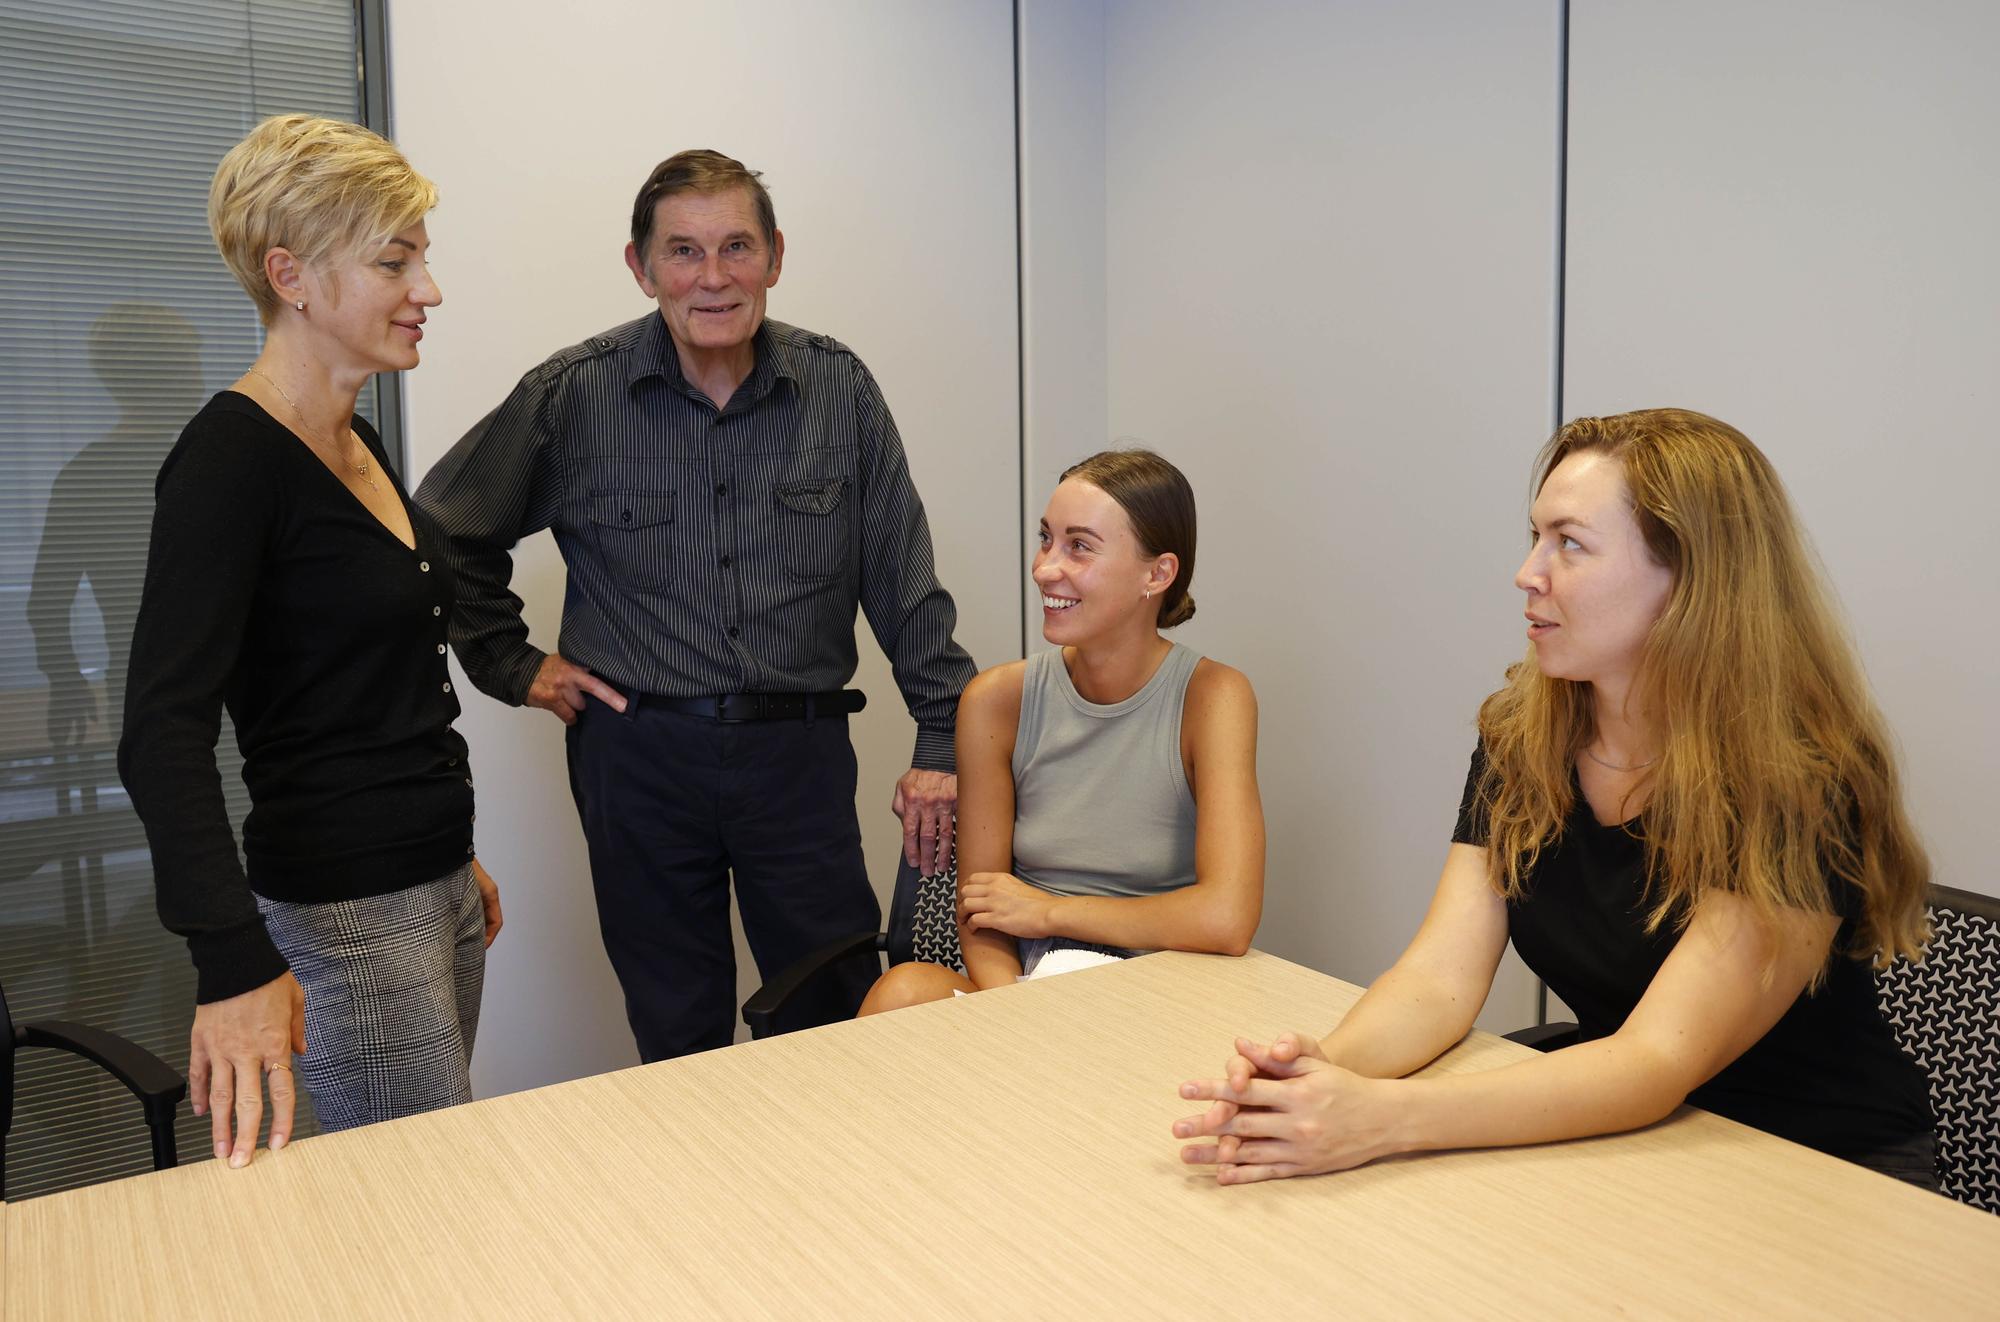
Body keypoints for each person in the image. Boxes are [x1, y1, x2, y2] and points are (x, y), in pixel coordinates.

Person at [1173, 409, 1937, 1188]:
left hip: (1820, 1166)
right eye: (1536, 537)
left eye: (1569, 544)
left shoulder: (1800, 781)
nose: (1527, 572)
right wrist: (1318, 1077)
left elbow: (1653, 1061)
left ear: (1689, 581)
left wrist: (1379, 1119)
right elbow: (1439, 980)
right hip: (1627, 1136)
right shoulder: (1522, 737)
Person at [414, 150, 975, 1061]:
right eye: (683, 252)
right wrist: (514, 666)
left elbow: (904, 580)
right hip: (639, 758)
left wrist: (943, 740)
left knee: (835, 1012)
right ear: (640, 267)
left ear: (776, 256)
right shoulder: (575, 394)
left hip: (797, 757)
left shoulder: (839, 389)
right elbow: (442, 525)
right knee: (677, 1026)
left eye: (736, 247)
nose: (712, 278)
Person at [119, 115, 499, 1167]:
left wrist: (455, 858)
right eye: (393, 260)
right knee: (415, 1206)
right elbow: (161, 732)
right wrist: (232, 959)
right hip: (346, 908)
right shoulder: (227, 462)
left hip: (438, 885)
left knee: (426, 1185)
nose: (427, 289)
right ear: (289, 274)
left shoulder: (355, 436)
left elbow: (371, 682)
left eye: (420, 255)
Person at [861, 449, 1263, 1011]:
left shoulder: (1214, 697)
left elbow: (1226, 918)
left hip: (1160, 989)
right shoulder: (996, 700)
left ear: (1158, 573)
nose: (1046, 568)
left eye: (1079, 546)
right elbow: (983, 911)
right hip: (1029, 986)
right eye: (1046, 538)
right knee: (899, 992)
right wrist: (1019, 1013)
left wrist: (1046, 911)